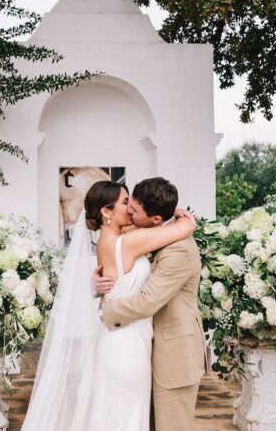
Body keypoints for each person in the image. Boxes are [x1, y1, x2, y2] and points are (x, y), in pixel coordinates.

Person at [21, 179, 197, 431]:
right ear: (105, 211)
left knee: (113, 413)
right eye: (126, 202)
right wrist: (185, 219)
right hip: (127, 344)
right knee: (127, 416)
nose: (130, 209)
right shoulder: (127, 242)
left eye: (131, 203)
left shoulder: (117, 237)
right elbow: (181, 230)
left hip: (119, 339)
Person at [97, 177, 207, 431]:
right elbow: (114, 246)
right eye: (128, 206)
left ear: (156, 218)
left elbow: (148, 302)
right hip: (143, 347)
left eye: (133, 210)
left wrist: (107, 311)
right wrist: (99, 281)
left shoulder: (179, 249)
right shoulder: (149, 230)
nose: (129, 214)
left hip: (174, 355)